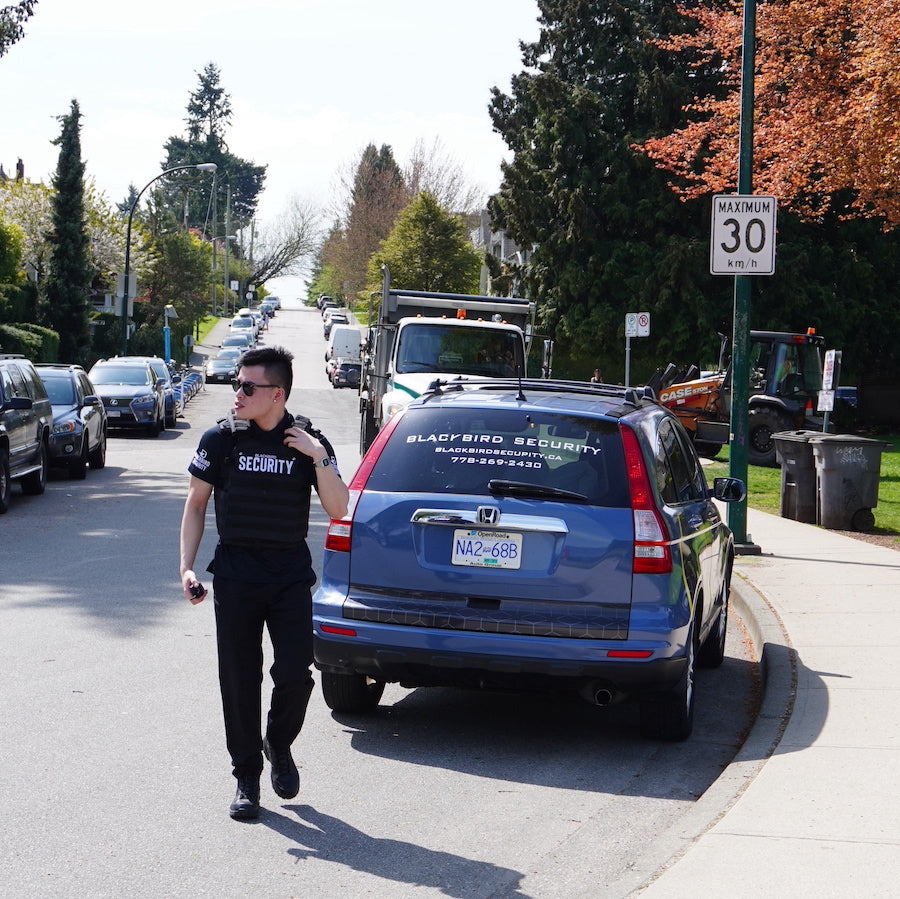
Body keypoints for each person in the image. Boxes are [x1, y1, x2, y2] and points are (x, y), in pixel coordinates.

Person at [179, 345, 349, 821]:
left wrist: (319, 458)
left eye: (248, 387)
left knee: (295, 674)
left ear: (277, 394)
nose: (238, 393)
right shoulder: (221, 440)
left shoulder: (308, 441)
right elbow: (195, 505)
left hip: (289, 576)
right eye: (237, 384)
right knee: (238, 679)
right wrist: (186, 567)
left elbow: (340, 508)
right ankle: (246, 777)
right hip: (236, 574)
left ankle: (278, 742)